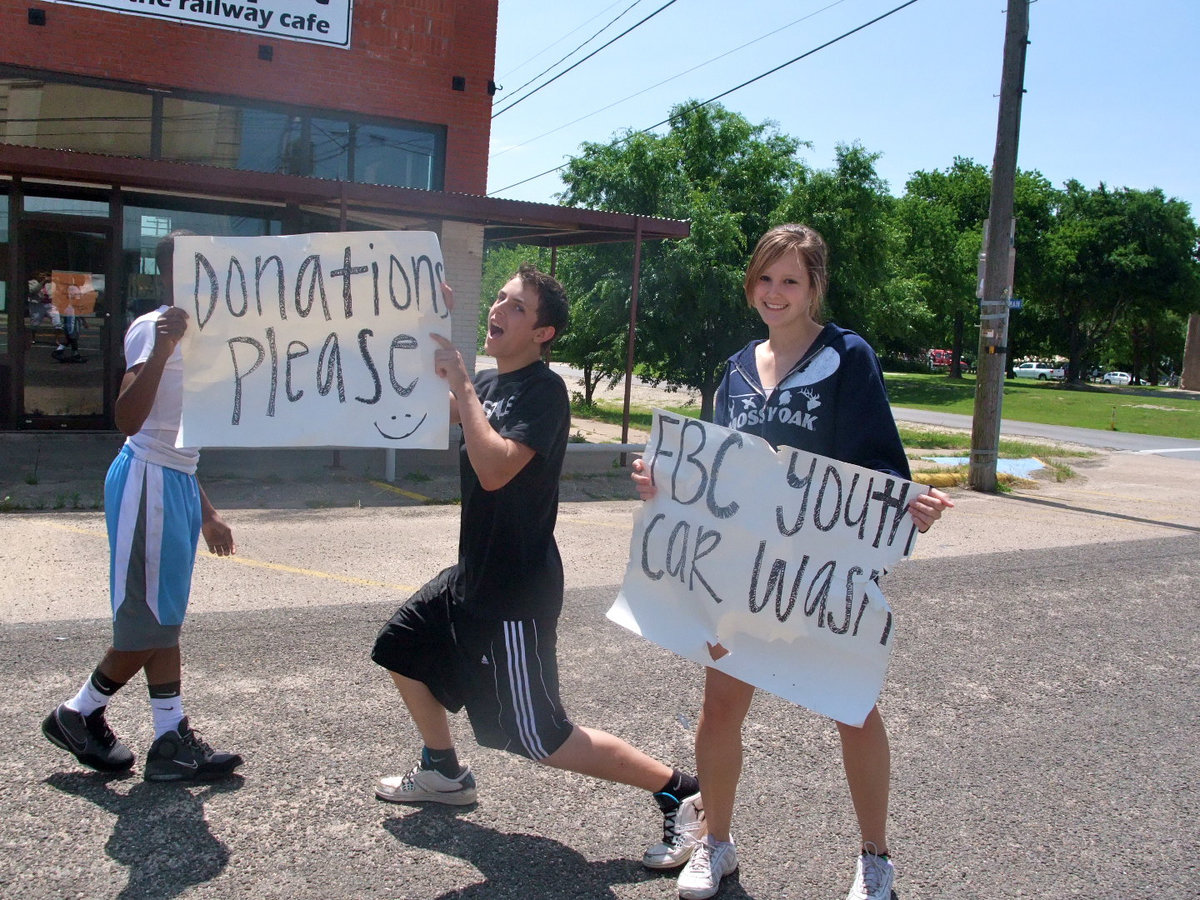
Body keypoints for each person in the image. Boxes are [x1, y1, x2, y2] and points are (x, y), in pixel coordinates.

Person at [632, 224, 954, 900]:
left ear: (814, 289)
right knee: (720, 709)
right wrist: (663, 480)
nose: (774, 293)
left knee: (851, 707)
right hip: (740, 575)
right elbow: (714, 466)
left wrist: (909, 504)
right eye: (765, 278)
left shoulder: (848, 357)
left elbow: (879, 471)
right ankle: (716, 843)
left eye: (790, 281)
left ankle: (875, 859)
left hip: (820, 574)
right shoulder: (736, 368)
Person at [371, 265, 703, 865]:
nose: (498, 308)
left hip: (513, 592)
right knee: (400, 648)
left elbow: (496, 469)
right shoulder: (494, 385)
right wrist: (429, 321)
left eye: (516, 306)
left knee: (539, 737)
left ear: (543, 332)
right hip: (472, 575)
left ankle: (682, 792)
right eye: (498, 298)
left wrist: (467, 390)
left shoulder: (542, 393)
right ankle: (443, 771)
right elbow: (428, 404)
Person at [41, 230, 243, 782]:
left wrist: (205, 511)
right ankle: (77, 712)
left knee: (165, 615)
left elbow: (180, 439)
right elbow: (129, 420)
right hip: (146, 481)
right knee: (148, 620)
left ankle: (170, 739)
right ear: (170, 276)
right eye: (196, 268)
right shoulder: (151, 328)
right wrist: (163, 349)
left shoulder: (216, 337)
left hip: (175, 480)